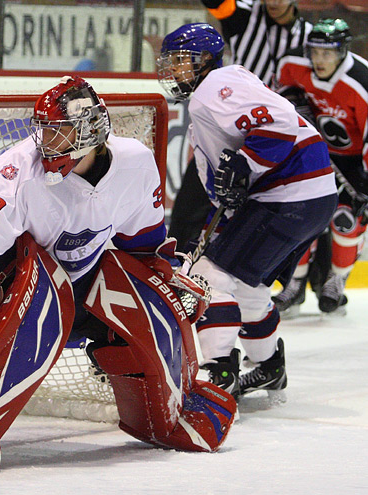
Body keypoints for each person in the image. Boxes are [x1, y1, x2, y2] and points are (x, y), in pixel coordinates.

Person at [0, 76, 237, 470]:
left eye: (58, 133)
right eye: (44, 133)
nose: (45, 144)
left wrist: (166, 279)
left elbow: (143, 246)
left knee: (138, 285)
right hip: (7, 285)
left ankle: (170, 409)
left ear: (89, 133)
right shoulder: (20, 171)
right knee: (46, 285)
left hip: (78, 287)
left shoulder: (134, 162)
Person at [157, 23, 337, 399]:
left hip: (291, 193)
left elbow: (281, 122)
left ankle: (218, 372)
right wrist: (211, 229)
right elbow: (225, 194)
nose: (173, 70)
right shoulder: (219, 89)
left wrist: (244, 163)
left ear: (204, 60)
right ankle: (270, 367)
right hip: (308, 196)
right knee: (245, 285)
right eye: (170, 61)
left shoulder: (214, 88)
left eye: (180, 61)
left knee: (210, 275)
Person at [169, 0, 313, 251]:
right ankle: (174, 267)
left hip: (279, 136)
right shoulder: (244, 16)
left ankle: (314, 284)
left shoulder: (311, 37)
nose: (274, 2)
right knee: (191, 205)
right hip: (230, 130)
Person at [272, 19, 368, 315]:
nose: (320, 59)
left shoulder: (361, 81)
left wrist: (365, 181)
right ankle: (294, 283)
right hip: (312, 153)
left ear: (342, 52)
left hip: (353, 162)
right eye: (315, 52)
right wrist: (291, 102)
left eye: (328, 53)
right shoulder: (293, 64)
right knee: (298, 216)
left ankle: (336, 281)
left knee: (346, 220)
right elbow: (276, 93)